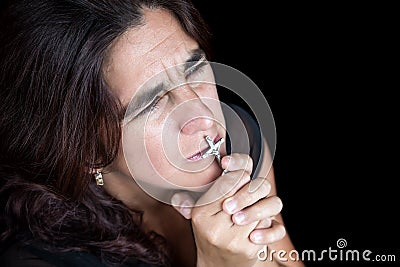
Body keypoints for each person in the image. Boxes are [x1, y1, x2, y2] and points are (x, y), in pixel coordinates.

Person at [0, 0, 303, 266]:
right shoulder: (38, 258)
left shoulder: (241, 143)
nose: (204, 116)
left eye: (194, 68)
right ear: (87, 148)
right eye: (152, 103)